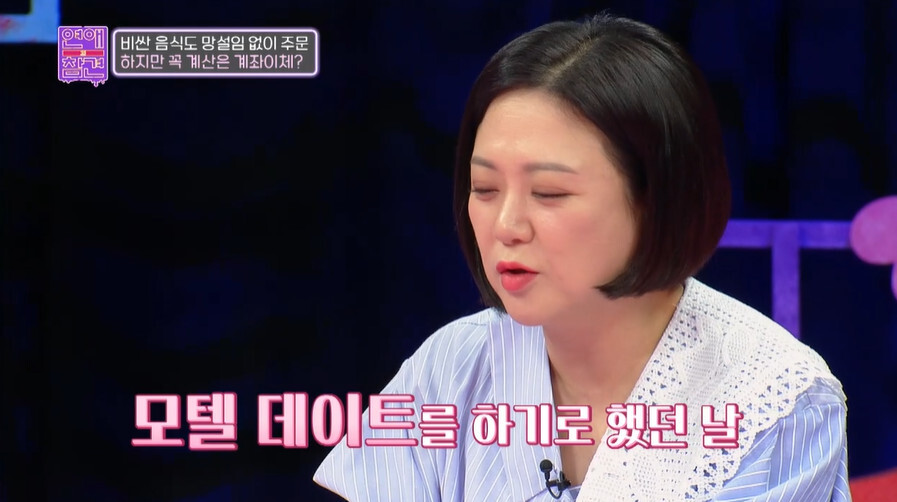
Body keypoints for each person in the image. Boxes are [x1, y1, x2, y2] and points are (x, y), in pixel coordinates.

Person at [314, 13, 850, 502]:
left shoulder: (777, 403)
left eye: (549, 193)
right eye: (484, 188)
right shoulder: (452, 365)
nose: (506, 226)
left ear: (658, 198)